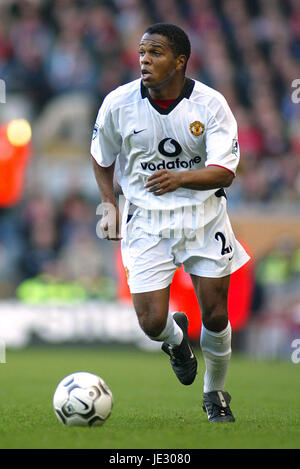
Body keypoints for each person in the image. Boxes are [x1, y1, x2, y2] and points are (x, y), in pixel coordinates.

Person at [91, 23, 250, 423]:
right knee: (150, 323)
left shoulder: (210, 105)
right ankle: (176, 342)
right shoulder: (118, 103)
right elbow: (101, 156)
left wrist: (179, 178)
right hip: (145, 221)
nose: (145, 59)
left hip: (203, 217)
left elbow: (225, 172)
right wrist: (109, 203)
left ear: (180, 61)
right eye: (143, 52)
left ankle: (214, 395)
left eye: (156, 52)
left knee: (214, 315)